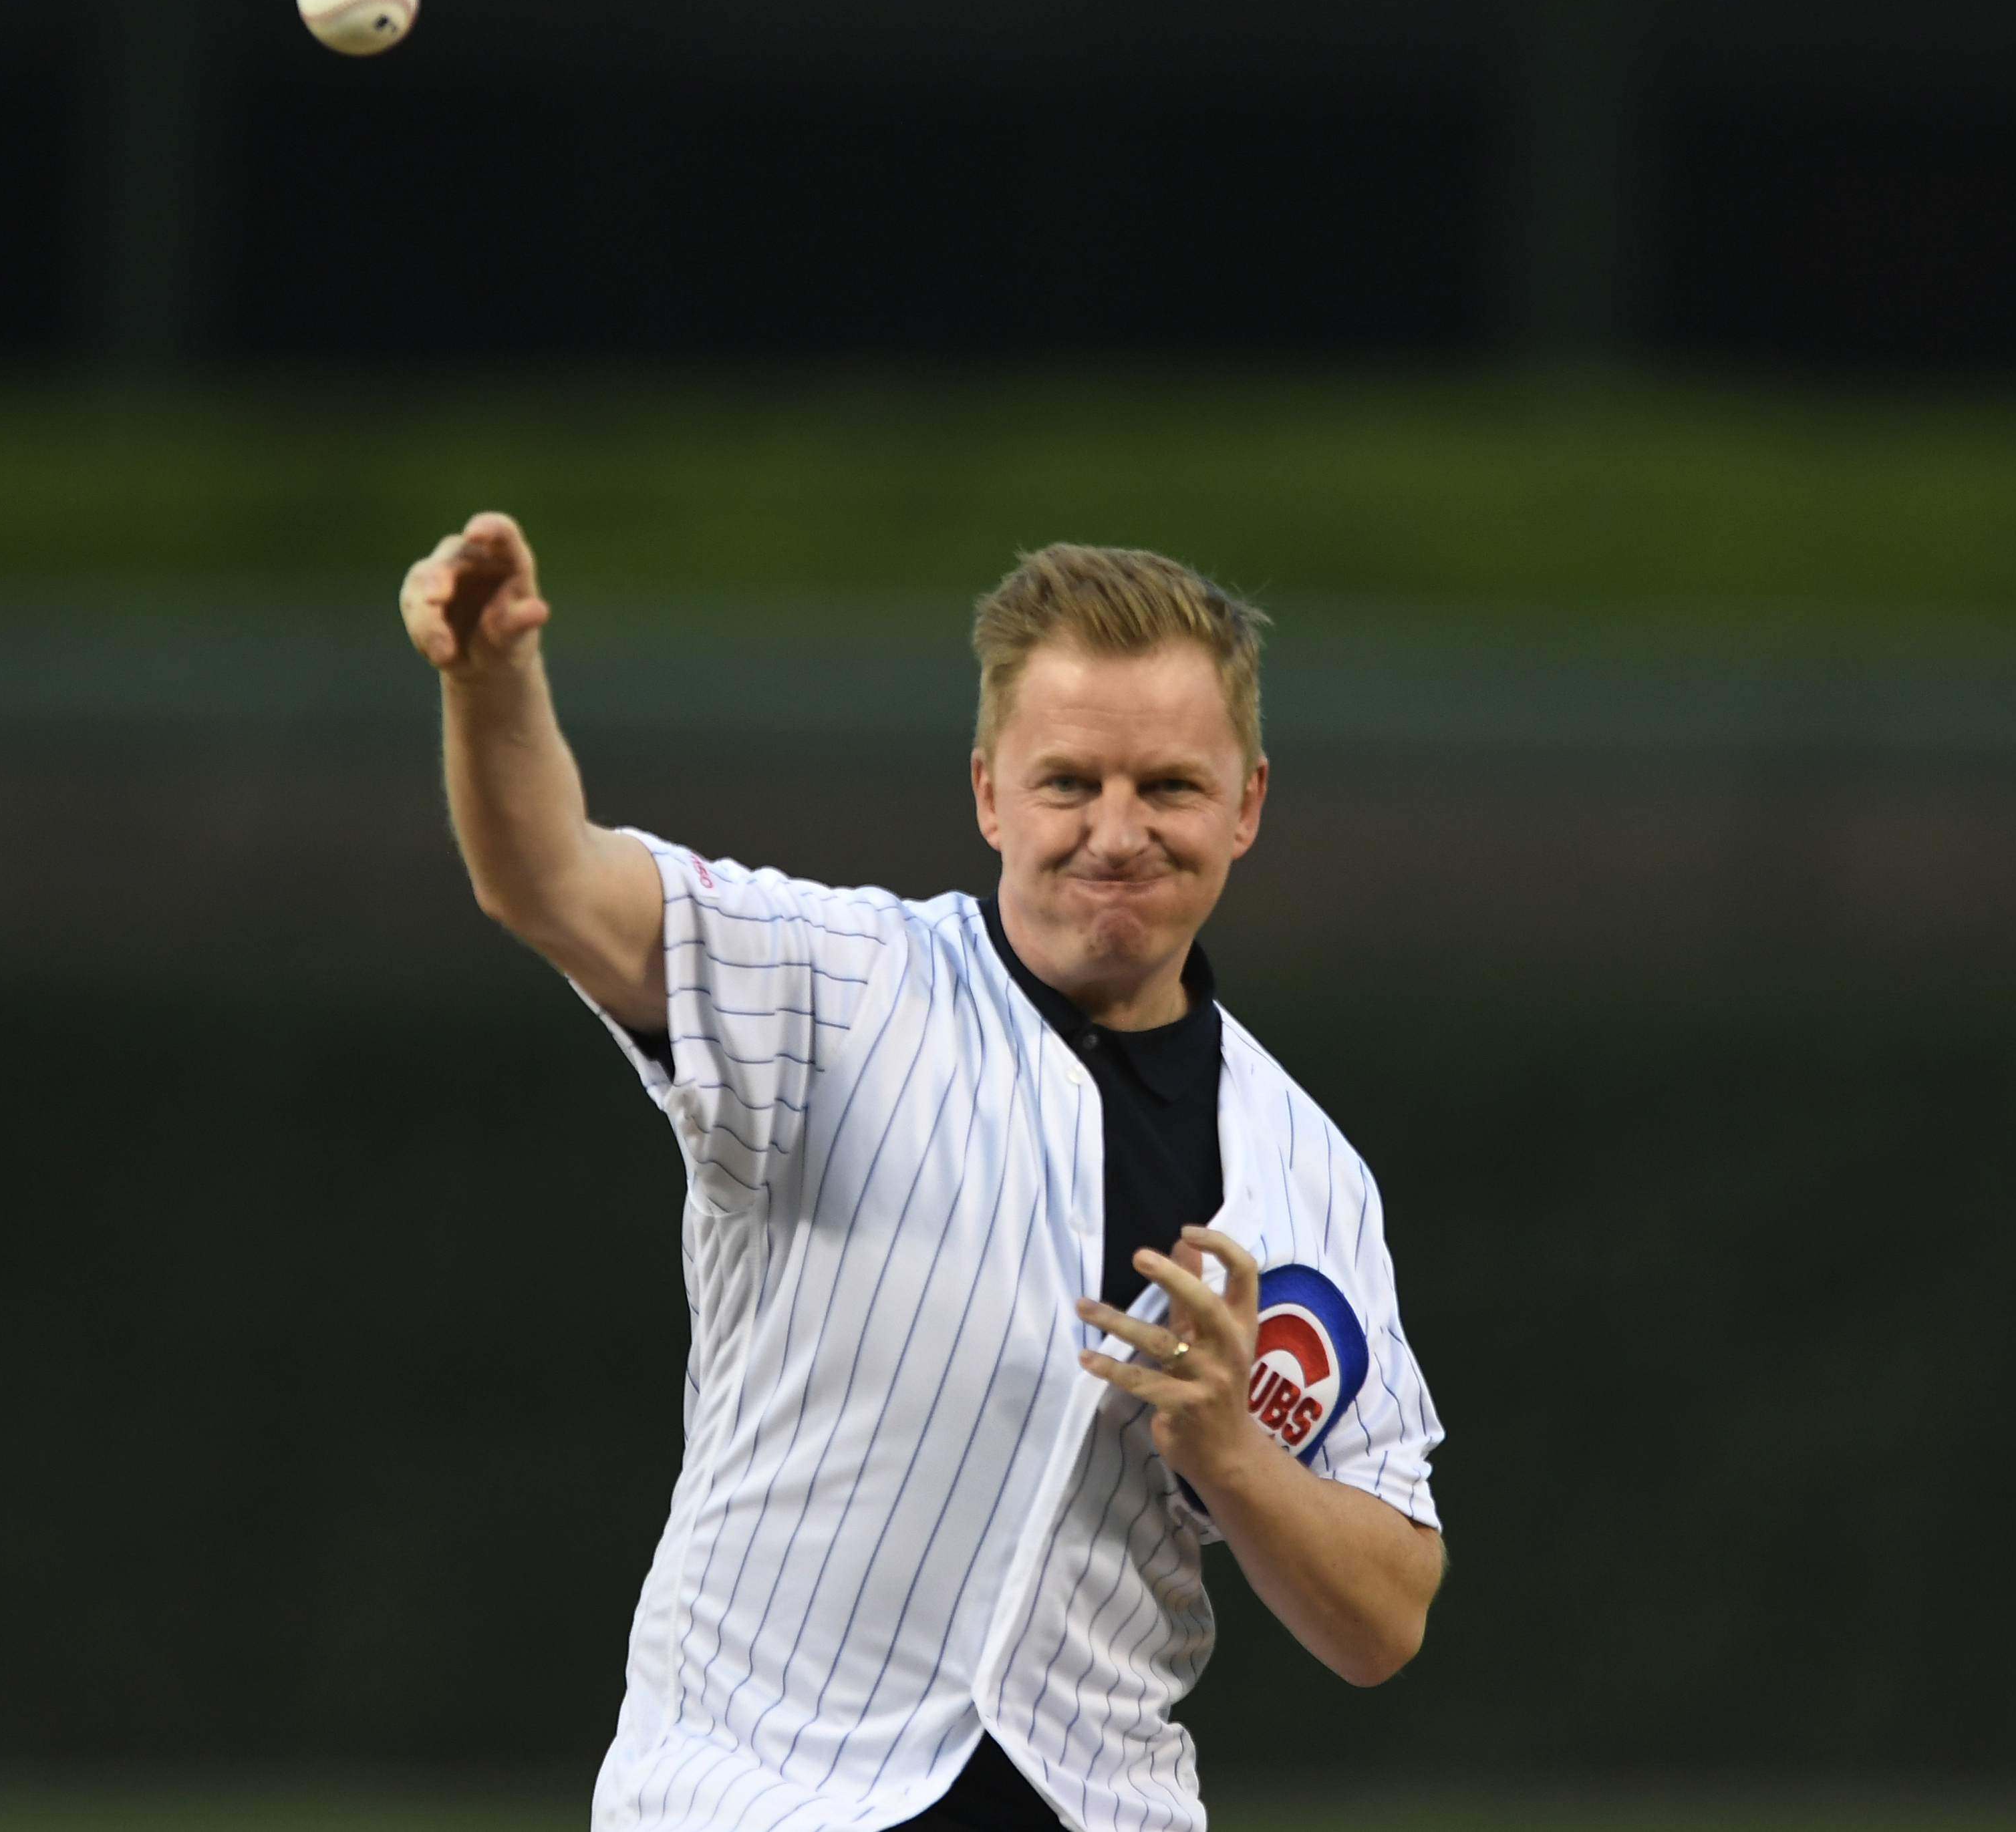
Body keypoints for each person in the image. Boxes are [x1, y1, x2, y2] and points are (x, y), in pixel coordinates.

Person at [401, 514, 1445, 1832]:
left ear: (1247, 803)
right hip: (759, 1796)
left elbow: (1388, 1614)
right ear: (987, 794)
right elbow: (549, 877)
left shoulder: (1310, 1172)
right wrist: (488, 681)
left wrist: (1237, 1457)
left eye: (1169, 786)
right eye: (1069, 781)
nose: (1117, 830)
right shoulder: (840, 986)